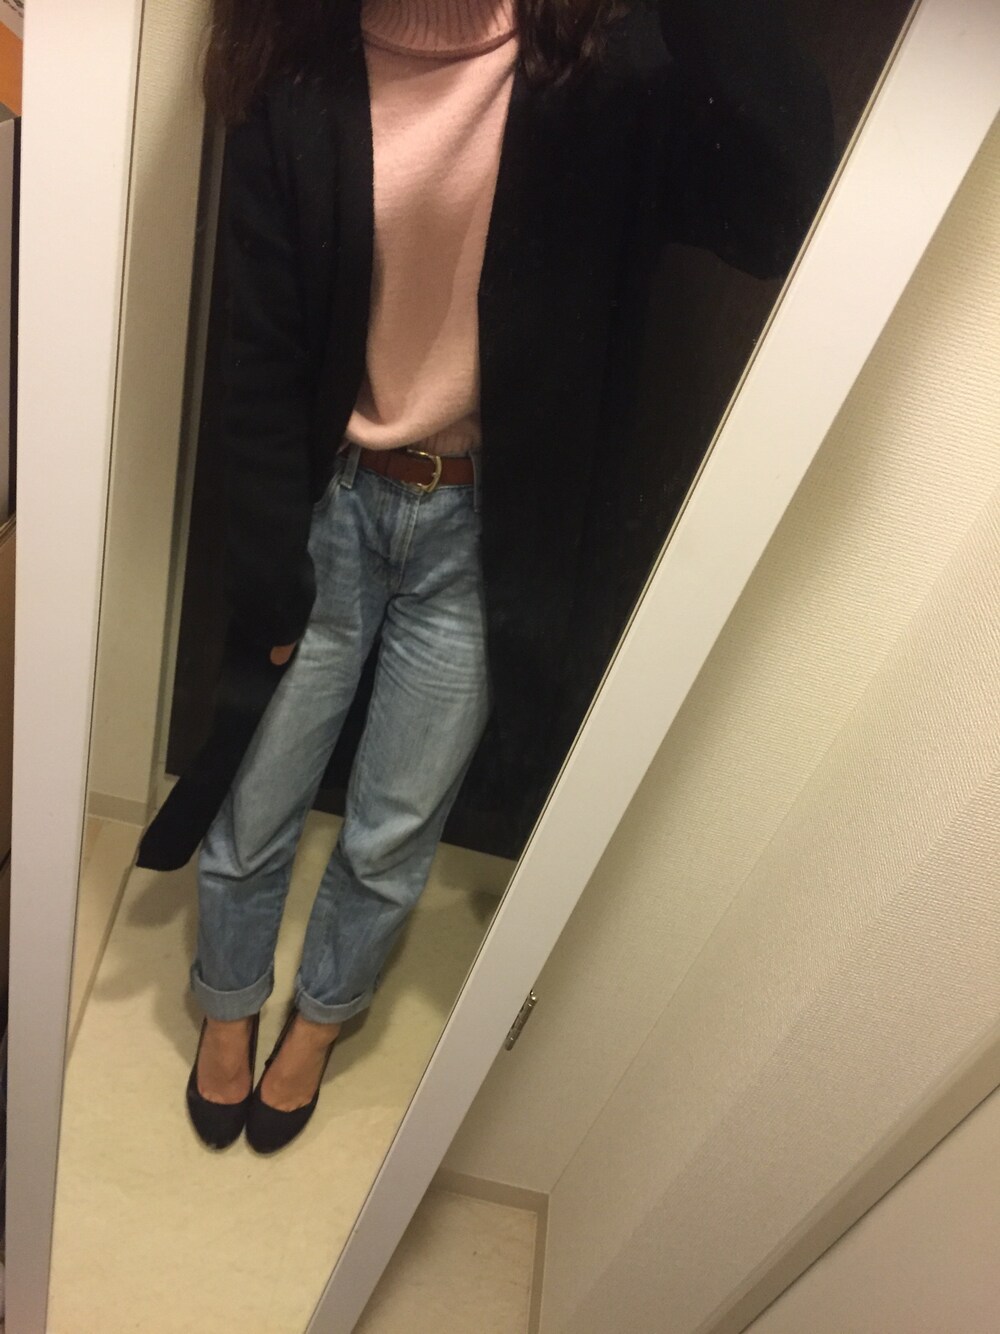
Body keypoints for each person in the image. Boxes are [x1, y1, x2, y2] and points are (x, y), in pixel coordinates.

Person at [142, 0, 833, 1153]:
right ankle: (226, 997)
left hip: (484, 527)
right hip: (329, 506)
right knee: (256, 791)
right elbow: (258, 345)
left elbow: (774, 214)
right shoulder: (292, 56)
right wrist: (263, 560)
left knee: (392, 825)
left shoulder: (602, 65)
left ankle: (322, 1015)